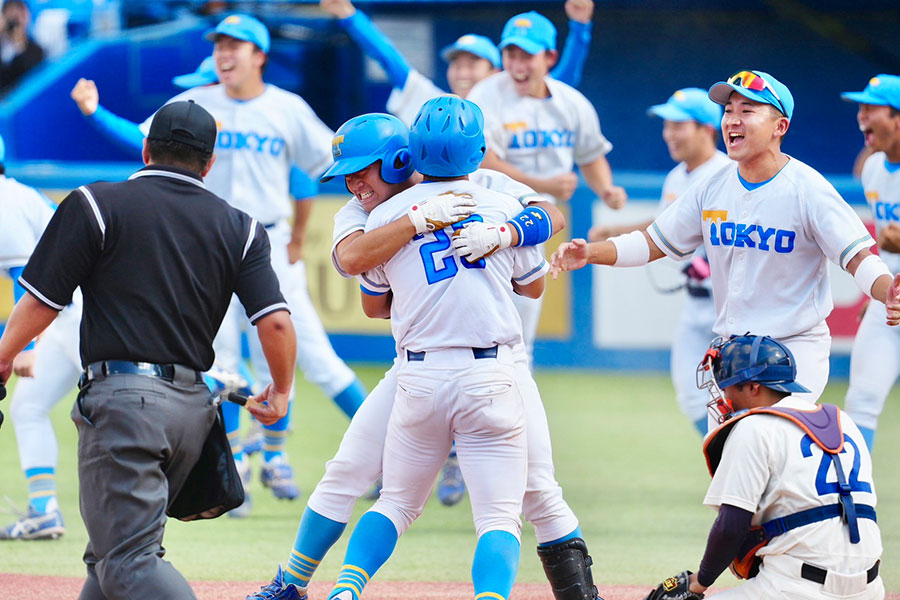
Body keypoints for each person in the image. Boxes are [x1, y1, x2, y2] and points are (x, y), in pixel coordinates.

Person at [247, 113, 601, 600]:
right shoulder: (364, 210)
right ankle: (291, 584)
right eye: (346, 173)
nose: (353, 183)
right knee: (349, 470)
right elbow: (352, 259)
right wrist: (427, 230)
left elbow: (552, 215)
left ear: (401, 159)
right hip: (443, 364)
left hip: (472, 365)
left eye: (362, 169)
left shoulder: (473, 187)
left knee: (535, 486)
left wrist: (501, 236)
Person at [0, 100, 296, 599]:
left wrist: (4, 355)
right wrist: (282, 391)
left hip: (124, 407)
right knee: (108, 561)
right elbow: (277, 325)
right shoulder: (242, 227)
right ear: (210, 162)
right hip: (193, 415)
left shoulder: (95, 203)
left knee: (128, 563)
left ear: (144, 148)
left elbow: (41, 303)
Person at [70, 13, 369, 502]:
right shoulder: (195, 105)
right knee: (221, 362)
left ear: (260, 56)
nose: (224, 53)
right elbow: (147, 145)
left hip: (265, 244)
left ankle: (374, 451)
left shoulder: (286, 108)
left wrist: (303, 226)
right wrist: (95, 112)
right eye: (219, 45)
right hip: (205, 247)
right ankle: (237, 468)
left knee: (315, 357)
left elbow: (325, 164)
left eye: (236, 45)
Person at [551, 69, 900, 407]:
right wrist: (590, 252)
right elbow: (653, 242)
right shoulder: (711, 186)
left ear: (780, 126)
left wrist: (889, 292)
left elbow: (858, 258)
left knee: (776, 446)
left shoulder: (809, 190)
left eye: (747, 111)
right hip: (733, 351)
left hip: (795, 350)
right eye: (728, 110)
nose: (733, 119)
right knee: (730, 461)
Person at [324, 95, 548, 600]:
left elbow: (373, 304)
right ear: (480, 150)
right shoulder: (504, 204)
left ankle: (345, 591)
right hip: (491, 373)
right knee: (498, 516)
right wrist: (505, 237)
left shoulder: (383, 216)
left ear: (412, 152)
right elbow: (534, 287)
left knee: (395, 504)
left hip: (419, 376)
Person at [643, 334, 883, 599]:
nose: (725, 396)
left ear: (754, 387)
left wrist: (699, 582)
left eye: (729, 386)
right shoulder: (843, 421)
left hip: (797, 589)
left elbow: (731, 526)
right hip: (869, 589)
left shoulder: (753, 427)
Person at [466, 11, 627, 366]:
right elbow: (483, 160)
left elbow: (590, 153)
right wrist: (545, 184)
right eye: (510, 54)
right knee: (484, 326)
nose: (517, 64)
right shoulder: (487, 94)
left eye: (527, 54)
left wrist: (606, 190)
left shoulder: (571, 103)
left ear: (549, 58)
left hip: (535, 226)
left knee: (522, 334)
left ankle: (515, 412)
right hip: (489, 218)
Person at [587, 88, 730, 435]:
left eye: (679, 125)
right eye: (667, 125)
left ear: (706, 129)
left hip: (729, 309)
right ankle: (730, 462)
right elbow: (664, 228)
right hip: (697, 307)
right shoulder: (678, 176)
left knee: (739, 397)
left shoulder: (727, 174)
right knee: (692, 396)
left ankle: (754, 473)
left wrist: (712, 262)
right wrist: (614, 232)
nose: (669, 133)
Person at [319, 0, 594, 126]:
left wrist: (580, 28)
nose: (462, 72)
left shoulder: (515, 102)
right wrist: (349, 15)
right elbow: (389, 59)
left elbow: (561, 84)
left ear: (495, 71)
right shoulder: (433, 102)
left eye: (473, 63)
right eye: (457, 64)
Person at [0, 133, 81, 540]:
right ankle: (44, 509)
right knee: (28, 406)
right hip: (65, 315)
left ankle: (211, 381)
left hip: (85, 311)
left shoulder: (3, 202)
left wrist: (26, 347)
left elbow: (25, 278)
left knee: (133, 396)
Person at [840, 74, 900, 452]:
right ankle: (856, 501)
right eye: (859, 107)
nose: (861, 115)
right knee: (861, 401)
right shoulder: (874, 169)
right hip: (889, 301)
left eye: (870, 107)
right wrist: (873, 294)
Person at [0, 0, 43, 95]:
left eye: (18, 14)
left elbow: (30, 75)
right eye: (9, 14)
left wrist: (19, 45)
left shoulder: (36, 50)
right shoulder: (2, 47)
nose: (14, 21)